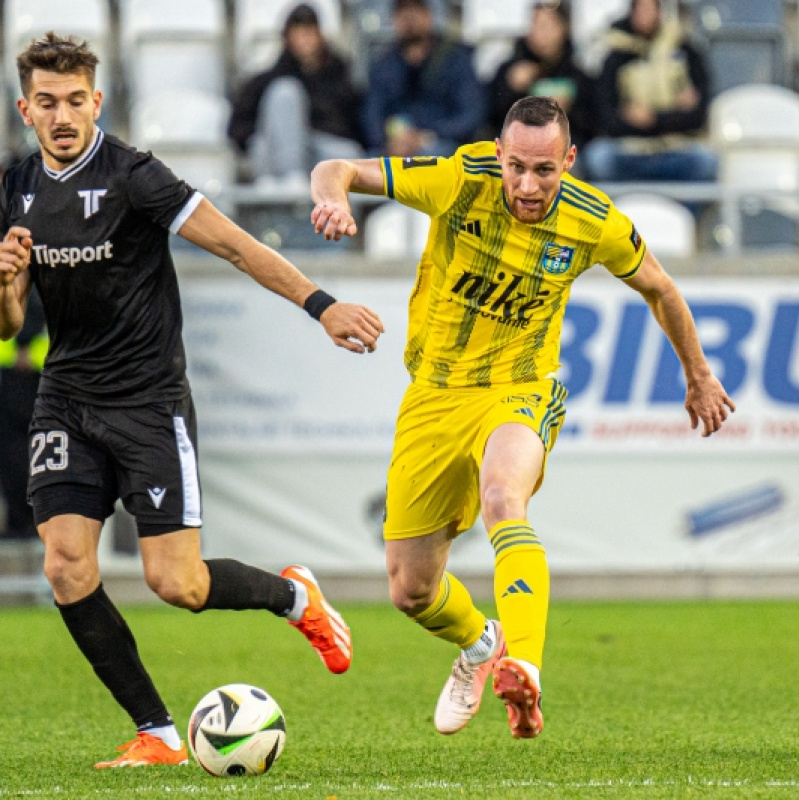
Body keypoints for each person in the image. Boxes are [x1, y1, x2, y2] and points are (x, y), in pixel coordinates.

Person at [0, 33, 383, 767]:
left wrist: (322, 304)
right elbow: (10, 323)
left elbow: (238, 245)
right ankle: (159, 733)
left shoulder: (134, 177)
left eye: (75, 100)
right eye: (46, 103)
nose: (62, 115)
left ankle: (293, 596)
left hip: (148, 402)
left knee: (178, 583)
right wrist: (2, 279)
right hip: (67, 399)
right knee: (65, 567)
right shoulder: (16, 187)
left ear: (97, 101)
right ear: (26, 109)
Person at [308, 95, 734, 739]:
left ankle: (523, 668)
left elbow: (660, 289)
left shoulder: (595, 221)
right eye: (516, 169)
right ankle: (483, 645)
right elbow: (335, 167)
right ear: (500, 158)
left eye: (545, 171)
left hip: (520, 388)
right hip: (434, 392)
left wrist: (698, 373)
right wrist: (335, 200)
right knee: (411, 590)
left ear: (568, 161)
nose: (528, 186)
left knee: (504, 497)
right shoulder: (459, 178)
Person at [582, 0, 718, 183]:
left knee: (706, 161)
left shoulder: (686, 53)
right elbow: (608, 118)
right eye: (640, 9)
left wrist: (653, 118)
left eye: (650, 9)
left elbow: (697, 116)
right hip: (629, 149)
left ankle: (682, 212)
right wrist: (674, 109)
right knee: (598, 157)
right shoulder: (615, 57)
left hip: (676, 147)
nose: (645, 16)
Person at [227, 3, 363, 184]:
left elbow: (353, 124)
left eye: (309, 32)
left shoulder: (339, 79)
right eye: (298, 33)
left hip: (319, 149)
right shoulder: (268, 82)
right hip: (276, 157)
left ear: (320, 35)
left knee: (350, 155)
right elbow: (239, 128)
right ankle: (292, 180)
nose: (304, 39)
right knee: (285, 93)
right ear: (287, 37)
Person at [362, 0, 485, 158]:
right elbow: (371, 114)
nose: (409, 18)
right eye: (402, 12)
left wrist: (427, 135)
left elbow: (471, 113)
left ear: (429, 16)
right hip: (393, 145)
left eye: (416, 10)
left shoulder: (455, 59)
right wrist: (388, 142)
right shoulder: (383, 64)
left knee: (430, 159)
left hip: (441, 142)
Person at [486, 2, 595, 151]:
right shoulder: (511, 70)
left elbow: (593, 126)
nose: (539, 34)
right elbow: (488, 120)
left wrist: (567, 110)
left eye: (546, 26)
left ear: (564, 29)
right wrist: (511, 89)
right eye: (533, 26)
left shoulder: (577, 75)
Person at [0, 285, 46, 540]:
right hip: (9, 384)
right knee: (12, 455)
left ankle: (32, 521)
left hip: (44, 383)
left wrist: (29, 355)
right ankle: (20, 521)